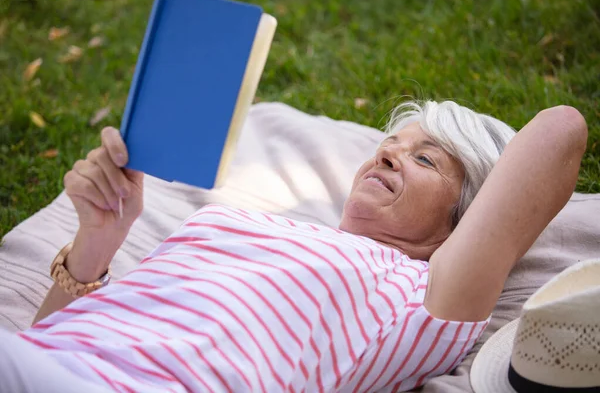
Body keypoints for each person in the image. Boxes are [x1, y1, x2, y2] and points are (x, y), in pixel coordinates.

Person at [1, 100, 588, 393]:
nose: (386, 154)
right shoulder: (235, 222)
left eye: (425, 158)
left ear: (465, 222)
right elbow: (49, 338)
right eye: (391, 143)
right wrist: (96, 247)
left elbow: (561, 129)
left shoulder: (423, 294)